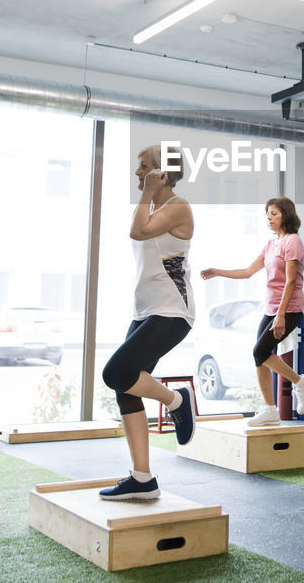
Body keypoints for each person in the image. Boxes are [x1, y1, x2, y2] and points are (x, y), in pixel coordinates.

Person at [100, 145, 197, 501]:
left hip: (172, 312)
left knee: (114, 373)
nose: (137, 173)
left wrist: (146, 192)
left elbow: (138, 233)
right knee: (124, 386)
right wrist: (147, 194)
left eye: (144, 167)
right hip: (145, 312)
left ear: (163, 173)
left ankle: (177, 400)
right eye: (138, 167)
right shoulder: (152, 206)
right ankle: (143, 479)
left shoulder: (178, 207)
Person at [200, 197, 304, 425]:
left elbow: (291, 282)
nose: (269, 218)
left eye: (274, 214)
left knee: (259, 352)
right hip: (271, 307)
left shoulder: (293, 242)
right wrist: (217, 272)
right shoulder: (270, 245)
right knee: (259, 358)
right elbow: (247, 271)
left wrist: (281, 315)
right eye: (268, 214)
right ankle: (271, 409)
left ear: (286, 215)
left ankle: (301, 383)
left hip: (289, 308)